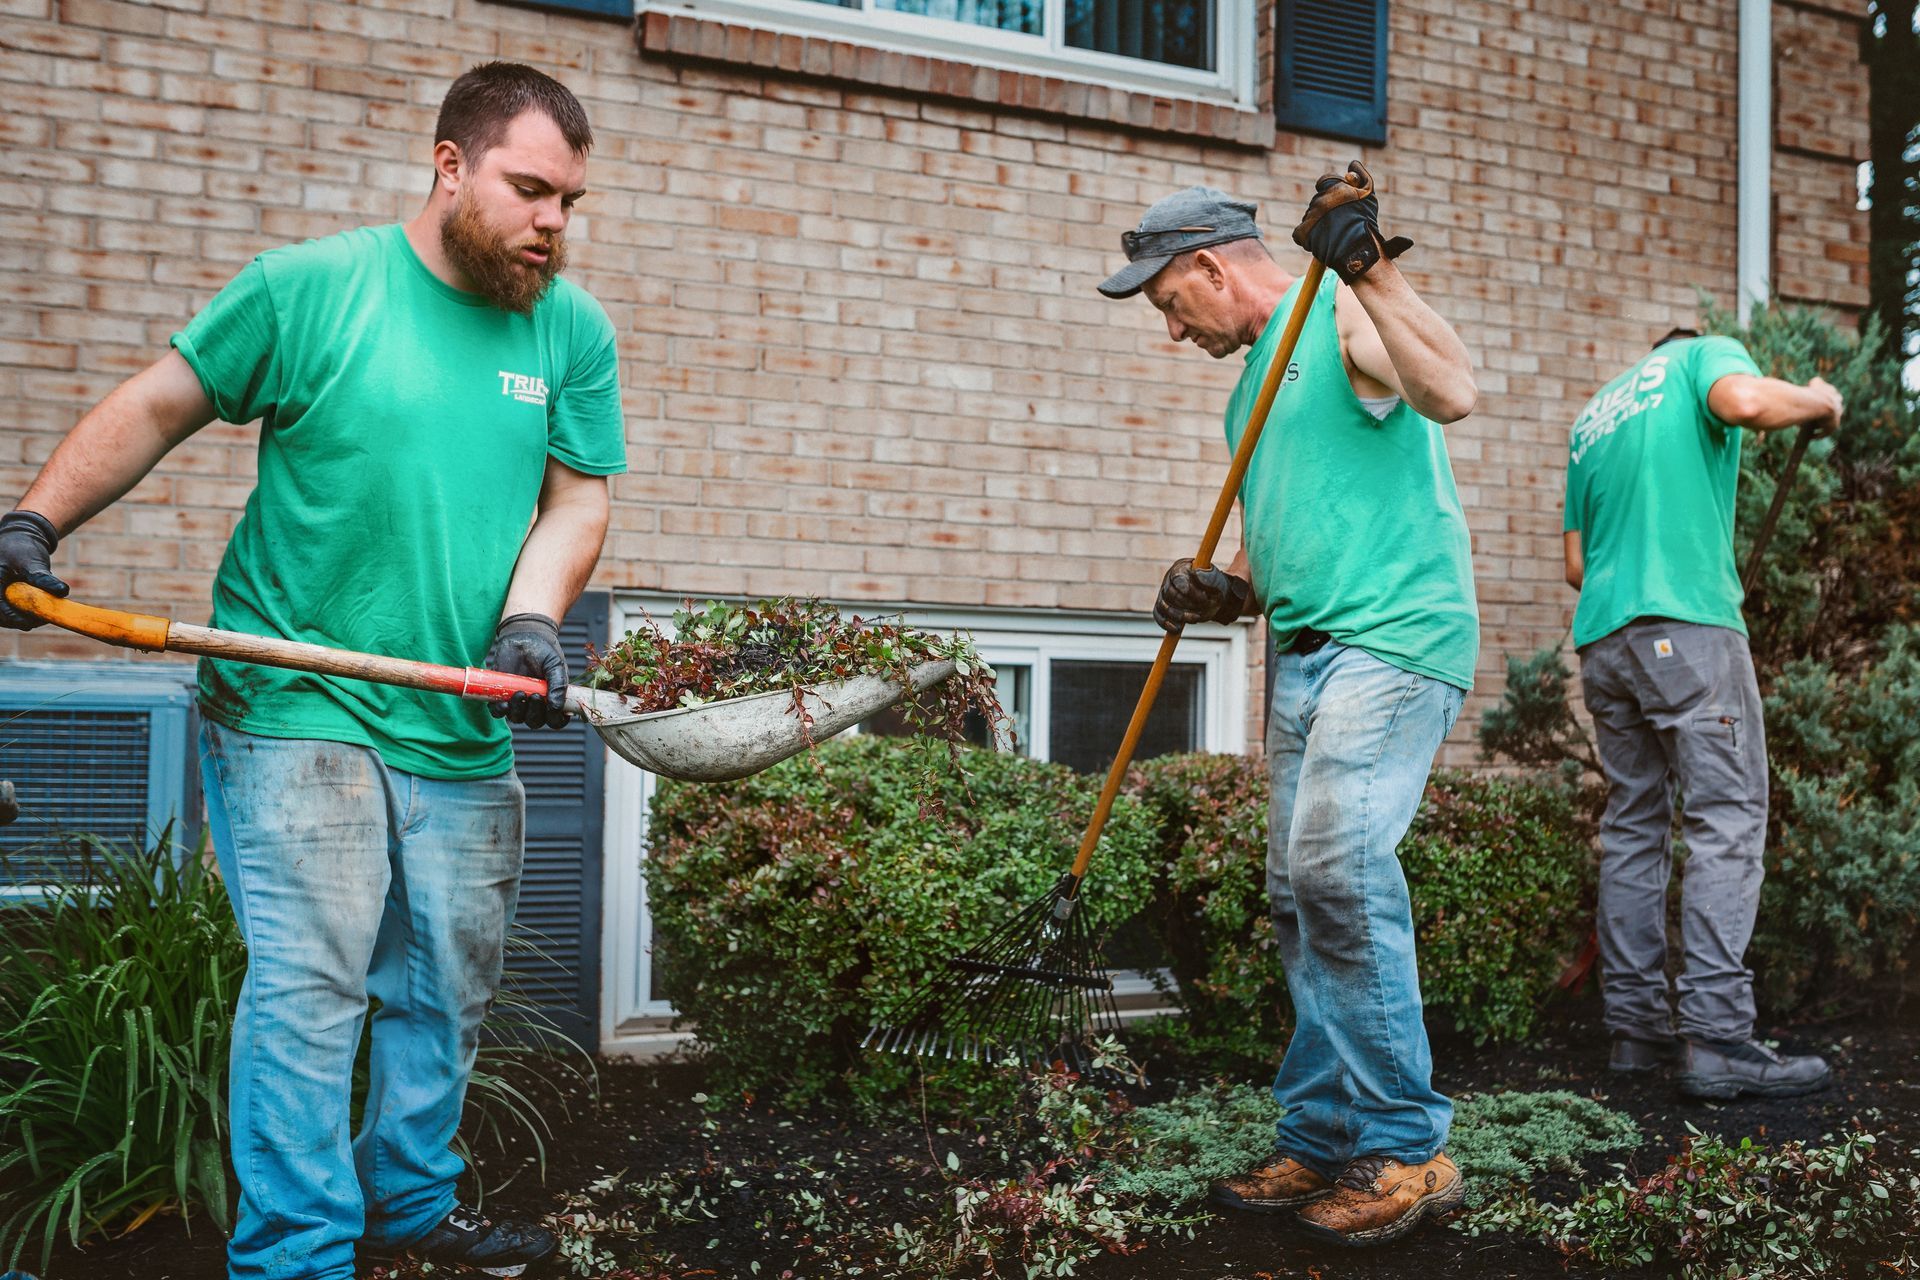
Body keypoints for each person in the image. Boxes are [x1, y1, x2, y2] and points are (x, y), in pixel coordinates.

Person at [0, 62, 627, 1279]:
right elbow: (158, 404)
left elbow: (575, 500)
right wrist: (34, 522)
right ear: (449, 164)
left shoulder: (570, 329)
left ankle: (411, 1203)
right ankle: (295, 1252)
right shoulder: (310, 289)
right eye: (532, 190)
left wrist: (532, 623)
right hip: (294, 701)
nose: (554, 223)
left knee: (445, 990)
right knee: (315, 982)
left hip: (459, 714)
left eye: (571, 202)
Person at [1098, 164, 1479, 1246]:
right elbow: (1279, 565)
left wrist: (1364, 263)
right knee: (1297, 893)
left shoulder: (1344, 316)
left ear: (1211, 267)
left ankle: (1408, 1147)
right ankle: (1319, 1130)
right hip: (1303, 658)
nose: (1174, 335)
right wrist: (1224, 590)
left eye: (1171, 306)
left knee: (1337, 869)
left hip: (1393, 644)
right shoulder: (1249, 390)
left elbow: (1454, 389)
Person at [1562, 326, 1839, 1099]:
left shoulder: (1594, 415)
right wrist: (1817, 401)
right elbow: (1744, 401)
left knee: (1634, 823)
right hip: (1685, 625)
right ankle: (1717, 1038)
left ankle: (1636, 1033)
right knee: (1727, 813)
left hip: (1606, 642)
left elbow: (1577, 563)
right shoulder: (1700, 356)